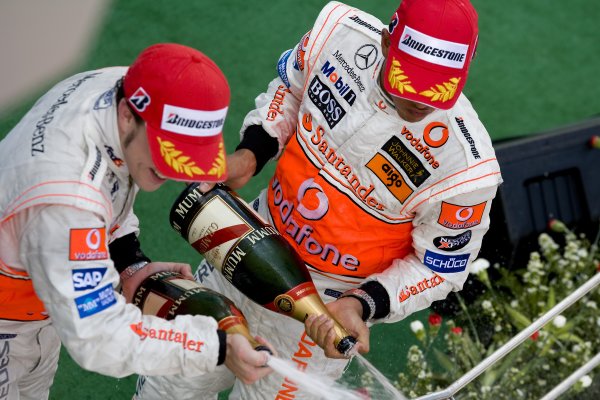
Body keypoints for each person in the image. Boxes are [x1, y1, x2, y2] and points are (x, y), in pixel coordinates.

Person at [136, 0, 503, 398]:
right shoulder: (339, 35)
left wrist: (364, 303)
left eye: (440, 88)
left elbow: (441, 267)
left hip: (324, 313)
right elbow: (291, 91)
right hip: (246, 241)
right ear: (385, 42)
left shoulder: (467, 167)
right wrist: (252, 153)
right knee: (167, 387)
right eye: (410, 80)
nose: (423, 100)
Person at [0, 43, 273, 400]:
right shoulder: (68, 203)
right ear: (128, 115)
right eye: (166, 149)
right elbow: (97, 338)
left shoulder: (119, 87)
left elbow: (112, 181)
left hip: (37, 302)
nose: (171, 170)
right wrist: (214, 347)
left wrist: (128, 263)